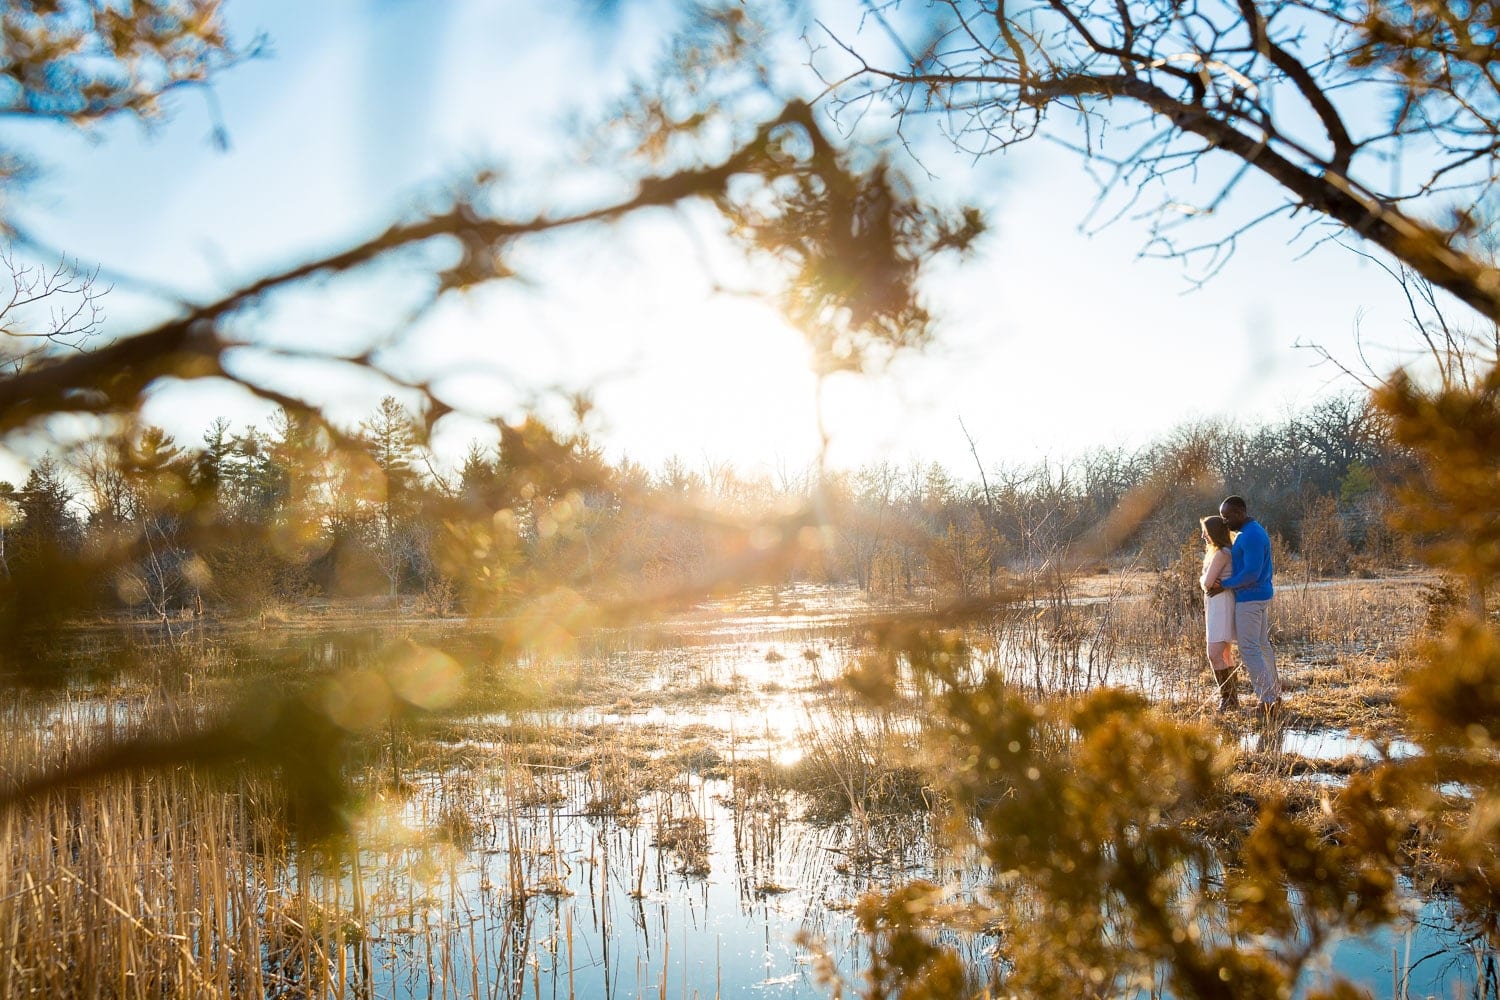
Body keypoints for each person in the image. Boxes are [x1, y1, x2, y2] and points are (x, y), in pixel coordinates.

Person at [1206, 495, 1280, 715]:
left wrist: (1225, 584)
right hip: (1257, 595)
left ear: (1240, 513)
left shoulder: (1251, 536)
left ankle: (1267, 703)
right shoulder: (1250, 532)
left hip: (1251, 598)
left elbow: (1251, 573)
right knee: (1261, 645)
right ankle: (1274, 697)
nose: (1225, 521)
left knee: (1249, 649)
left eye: (1227, 516)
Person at [1199, 515, 1238, 712]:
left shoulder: (1223, 553)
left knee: (1214, 653)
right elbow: (1205, 581)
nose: (1203, 536)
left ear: (1213, 532)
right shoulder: (1218, 552)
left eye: (1205, 532)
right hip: (1216, 602)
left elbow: (1206, 583)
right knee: (1224, 653)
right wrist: (1204, 580)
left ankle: (1228, 699)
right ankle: (1231, 701)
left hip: (1221, 604)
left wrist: (1205, 581)